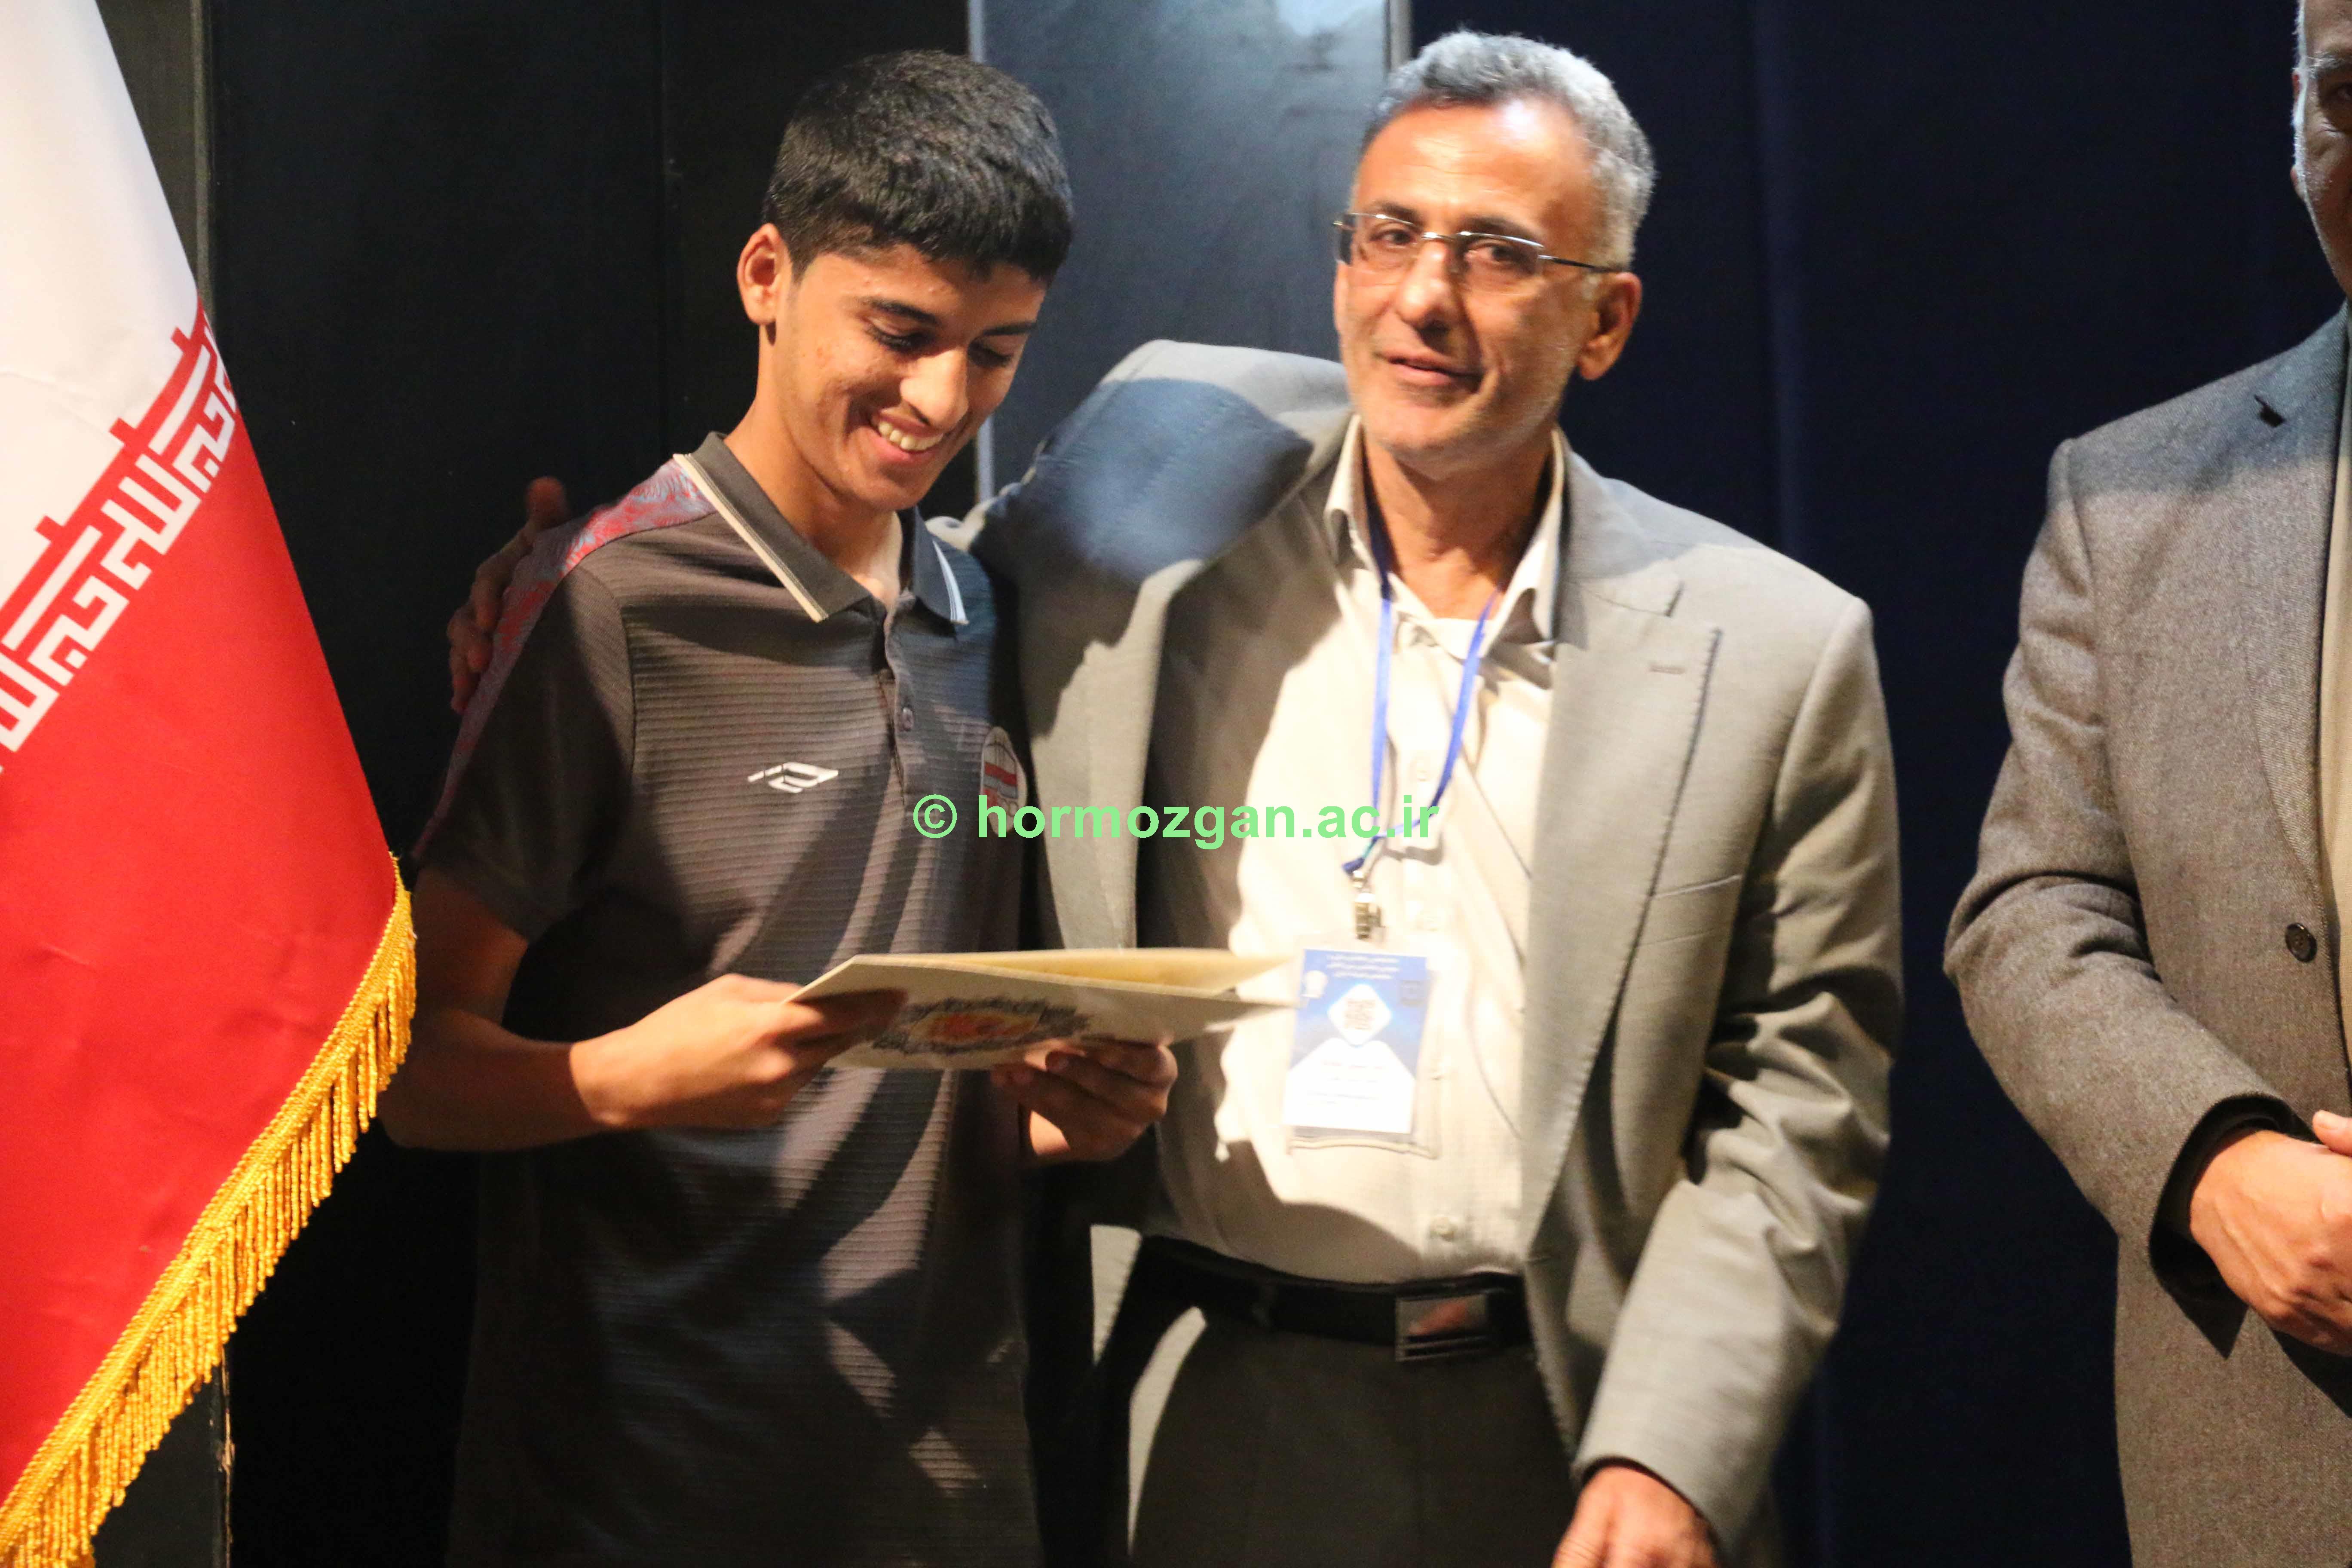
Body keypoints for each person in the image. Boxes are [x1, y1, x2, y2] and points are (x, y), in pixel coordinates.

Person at [454, 32, 1899, 1568]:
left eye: (1497, 253)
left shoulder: (1768, 649)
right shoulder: (1163, 462)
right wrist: (570, 584)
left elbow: (1797, 1105)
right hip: (1193, 1409)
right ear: (1341, 260)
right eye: (1391, 233)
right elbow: (847, 552)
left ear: (1604, 318)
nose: (1425, 294)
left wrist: (1671, 1456)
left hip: (1559, 1417)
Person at [386, 52, 1176, 1568]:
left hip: (949, 1496)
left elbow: (927, 1077)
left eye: (996, 352)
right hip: (636, 1495)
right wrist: (616, 1078)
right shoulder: (604, 608)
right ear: (768, 275)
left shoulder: (988, 613)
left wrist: (1061, 1112)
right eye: (901, 332)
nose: (941, 399)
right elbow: (405, 1073)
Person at [1947, 3, 2352, 1560]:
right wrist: (2215, 1158)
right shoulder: (2128, 500)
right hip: (2273, 1451)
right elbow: (2032, 910)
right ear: (2296, 121)